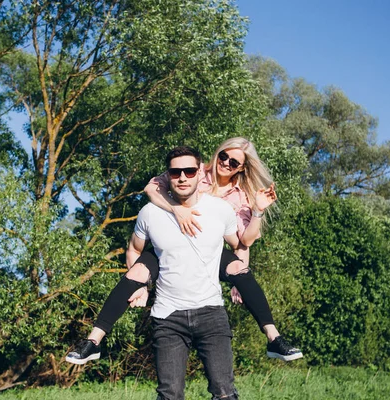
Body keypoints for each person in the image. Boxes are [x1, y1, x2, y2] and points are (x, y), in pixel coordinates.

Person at [66, 138, 302, 366]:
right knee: (136, 272)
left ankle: (274, 338)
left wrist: (239, 277)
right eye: (224, 156)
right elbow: (151, 188)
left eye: (234, 162)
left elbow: (243, 241)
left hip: (208, 252)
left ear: (241, 168)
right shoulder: (193, 170)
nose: (226, 163)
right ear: (217, 154)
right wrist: (177, 210)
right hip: (171, 244)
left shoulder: (240, 197)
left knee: (239, 268)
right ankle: (93, 341)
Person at [77, 146, 241, 399]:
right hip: (168, 317)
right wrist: (142, 286)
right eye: (176, 172)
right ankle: (94, 340)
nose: (183, 177)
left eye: (189, 171)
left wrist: (238, 279)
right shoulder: (150, 213)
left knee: (224, 392)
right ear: (168, 175)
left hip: (211, 314)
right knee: (169, 394)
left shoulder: (219, 210)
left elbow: (239, 244)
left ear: (200, 173)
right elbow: (134, 249)